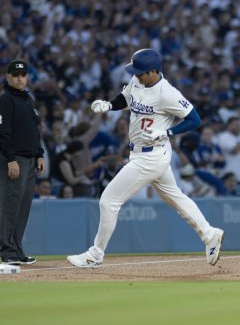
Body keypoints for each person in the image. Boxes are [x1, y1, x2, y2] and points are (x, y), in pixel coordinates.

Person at [67, 49, 224, 267]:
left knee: (109, 200)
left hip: (151, 155)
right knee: (175, 197)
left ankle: (95, 255)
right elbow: (126, 97)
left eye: (141, 72)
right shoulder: (137, 80)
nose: (137, 75)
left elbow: (194, 119)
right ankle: (210, 234)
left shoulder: (167, 93)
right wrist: (110, 105)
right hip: (143, 153)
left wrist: (169, 132)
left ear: (154, 71)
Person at [0, 60, 45, 265]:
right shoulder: (5, 99)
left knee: (23, 208)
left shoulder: (27, 99)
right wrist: (10, 158)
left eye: (23, 75)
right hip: (14, 160)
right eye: (16, 75)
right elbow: (3, 132)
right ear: (7, 77)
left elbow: (35, 130)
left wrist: (40, 153)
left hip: (29, 160)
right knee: (9, 207)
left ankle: (16, 250)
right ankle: (7, 251)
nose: (20, 78)